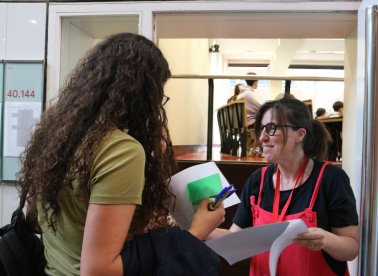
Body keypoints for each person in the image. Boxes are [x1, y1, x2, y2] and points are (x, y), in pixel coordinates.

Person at [17, 33, 225, 275]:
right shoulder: (122, 150)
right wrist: (195, 232)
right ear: (144, 95)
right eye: (159, 95)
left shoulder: (56, 137)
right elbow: (97, 270)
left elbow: (36, 220)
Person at [211, 97, 359, 275]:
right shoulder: (257, 181)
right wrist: (196, 229)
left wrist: (326, 239)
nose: (262, 137)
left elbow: (352, 248)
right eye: (262, 129)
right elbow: (234, 239)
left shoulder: (330, 179)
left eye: (272, 129)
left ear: (300, 134)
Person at [236, 72, 262, 156]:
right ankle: (254, 150)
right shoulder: (249, 93)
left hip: (243, 122)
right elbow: (262, 106)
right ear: (256, 81)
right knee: (269, 125)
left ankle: (257, 149)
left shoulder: (240, 94)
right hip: (250, 121)